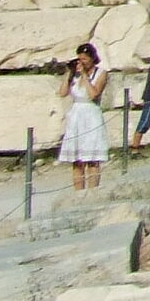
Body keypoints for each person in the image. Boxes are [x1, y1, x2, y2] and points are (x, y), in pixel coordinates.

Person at [54, 44, 109, 191]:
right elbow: (62, 93)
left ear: (92, 58)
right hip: (77, 114)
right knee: (77, 159)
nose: (82, 62)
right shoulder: (75, 74)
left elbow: (93, 94)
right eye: (80, 59)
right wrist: (69, 73)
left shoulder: (101, 73)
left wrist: (85, 75)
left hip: (91, 113)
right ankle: (78, 192)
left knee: (92, 158)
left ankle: (92, 191)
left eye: (85, 59)